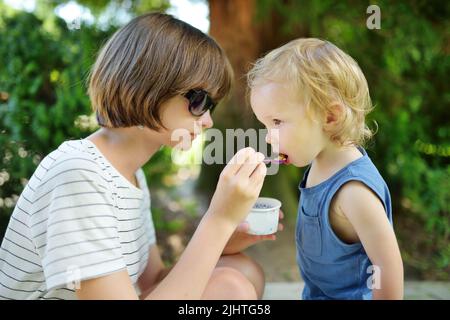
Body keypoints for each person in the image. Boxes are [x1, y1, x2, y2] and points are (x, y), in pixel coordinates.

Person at [0, 12, 278, 300]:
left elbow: (154, 281)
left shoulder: (131, 176)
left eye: (212, 106)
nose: (207, 120)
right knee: (229, 287)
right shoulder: (80, 174)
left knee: (242, 269)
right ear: (148, 84)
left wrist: (222, 238)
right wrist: (218, 220)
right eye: (199, 101)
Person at [247, 38, 404, 300]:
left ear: (330, 117)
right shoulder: (319, 163)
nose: (268, 137)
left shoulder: (354, 191)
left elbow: (387, 268)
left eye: (276, 121)